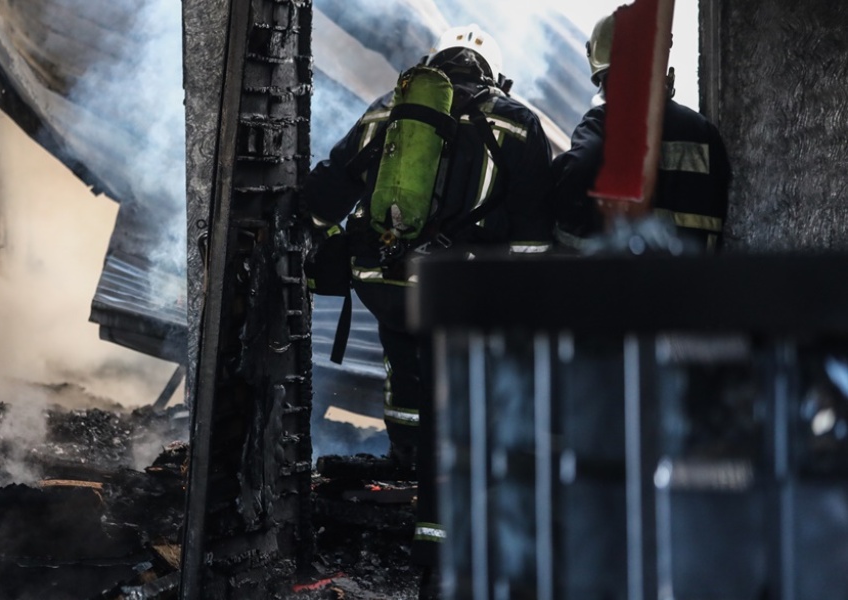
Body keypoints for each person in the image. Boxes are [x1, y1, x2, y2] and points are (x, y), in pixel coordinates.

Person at [301, 24, 554, 596]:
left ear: (432, 65)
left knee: (405, 359)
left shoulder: (388, 110)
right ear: (491, 73)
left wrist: (312, 240)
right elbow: (537, 232)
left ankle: (403, 456)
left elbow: (328, 193)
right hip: (463, 291)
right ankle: (437, 549)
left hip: (384, 282)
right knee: (455, 411)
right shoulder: (516, 120)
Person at [552, 13, 732, 252]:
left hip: (633, 279)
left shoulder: (603, 124)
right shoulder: (705, 132)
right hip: (695, 279)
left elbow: (577, 170)